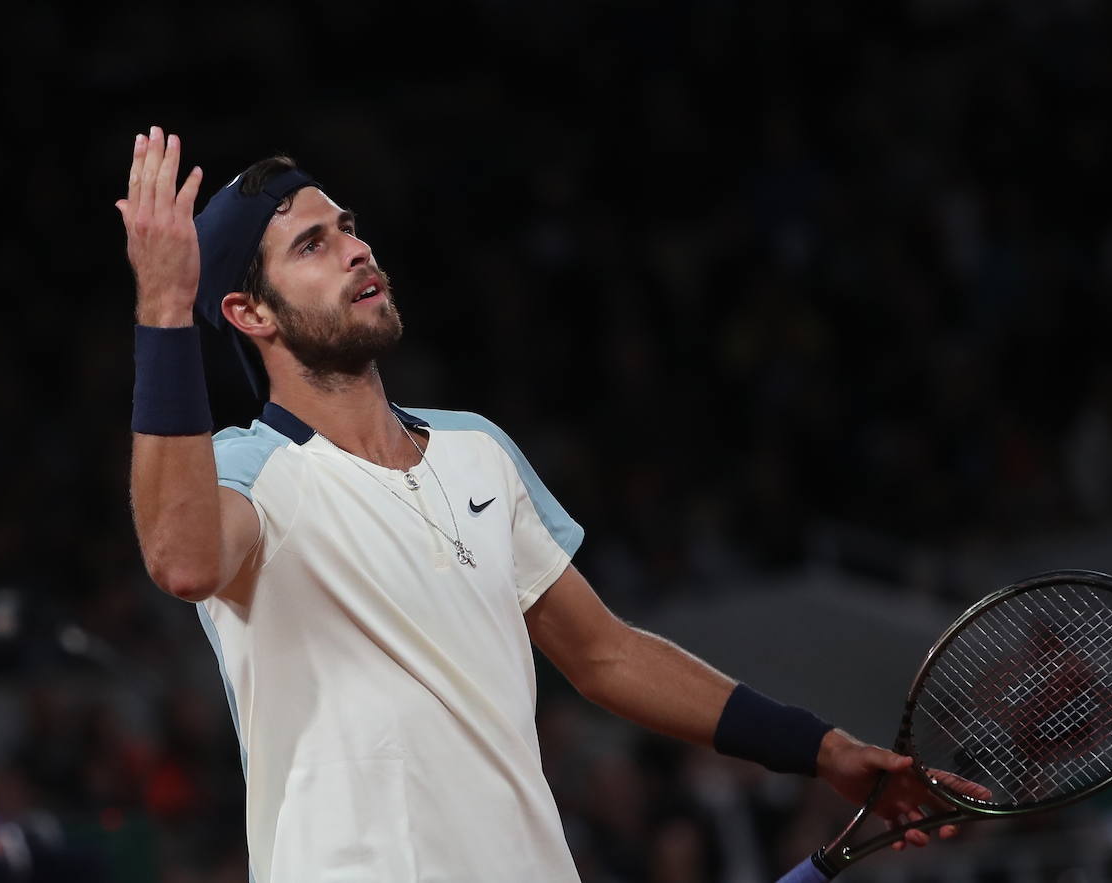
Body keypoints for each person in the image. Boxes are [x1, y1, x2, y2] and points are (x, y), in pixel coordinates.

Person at [116, 126, 976, 882]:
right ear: (247, 312)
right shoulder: (246, 468)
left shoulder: (474, 447)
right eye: (311, 245)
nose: (355, 249)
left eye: (348, 227)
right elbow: (184, 560)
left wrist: (820, 748)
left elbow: (604, 655)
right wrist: (162, 306)